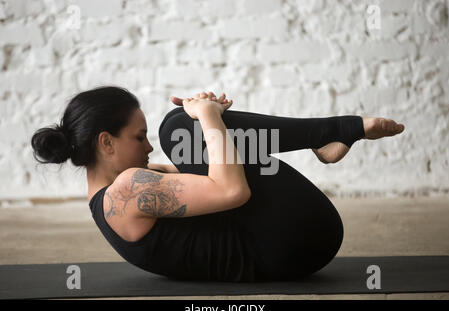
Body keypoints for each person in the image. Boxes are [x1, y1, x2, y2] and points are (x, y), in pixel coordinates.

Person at [31, 86, 405, 282]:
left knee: (182, 126)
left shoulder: (121, 194)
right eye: (138, 137)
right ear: (106, 142)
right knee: (179, 127)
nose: (148, 147)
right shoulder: (128, 190)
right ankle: (330, 132)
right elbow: (231, 190)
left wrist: (212, 122)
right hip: (292, 243)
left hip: (294, 247)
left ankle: (329, 133)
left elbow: (213, 166)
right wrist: (207, 118)